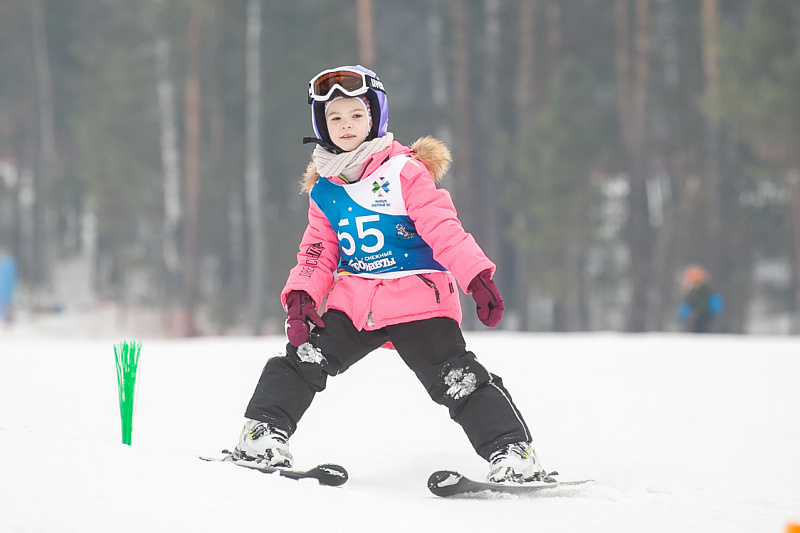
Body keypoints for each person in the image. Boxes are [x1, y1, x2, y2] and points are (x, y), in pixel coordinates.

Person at [232, 65, 552, 484]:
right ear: (321, 125)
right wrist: (301, 296)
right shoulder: (325, 189)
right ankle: (261, 436)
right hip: (355, 305)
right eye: (334, 118)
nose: (346, 125)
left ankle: (513, 453)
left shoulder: (404, 172)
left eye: (356, 115)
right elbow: (317, 250)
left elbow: (442, 227)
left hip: (418, 301)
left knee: (455, 379)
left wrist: (475, 277)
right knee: (302, 360)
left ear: (375, 117)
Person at [677, 265, 723, 333]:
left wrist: (715, 311)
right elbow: (687, 305)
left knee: (702, 327)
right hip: (696, 315)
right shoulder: (692, 293)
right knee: (696, 328)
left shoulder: (708, 291)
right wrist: (683, 315)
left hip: (706, 315)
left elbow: (714, 301)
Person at [0, 250, 18, 324]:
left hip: (6, 294)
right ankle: (6, 318)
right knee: (5, 304)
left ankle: (6, 319)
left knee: (6, 304)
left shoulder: (7, 266)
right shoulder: (7, 266)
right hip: (6, 293)